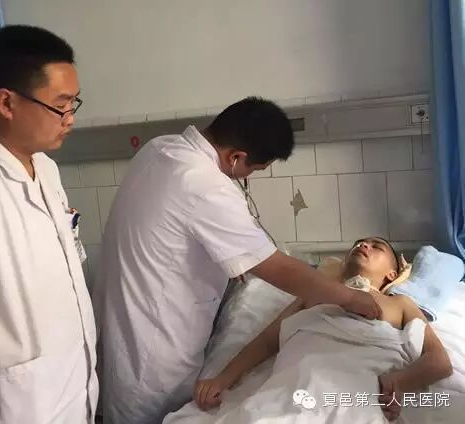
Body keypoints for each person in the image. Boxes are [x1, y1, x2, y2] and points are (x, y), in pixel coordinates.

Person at [94, 97, 382, 424]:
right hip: (154, 352)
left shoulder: (159, 149)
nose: (248, 178)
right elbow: (277, 268)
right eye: (252, 170)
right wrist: (349, 297)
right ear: (236, 157)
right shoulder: (207, 186)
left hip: (126, 326)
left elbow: (173, 233)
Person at [0, 26, 97, 423]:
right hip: (20, 408)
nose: (70, 119)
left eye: (74, 103)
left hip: (73, 389)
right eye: (61, 106)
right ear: (6, 102)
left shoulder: (46, 168)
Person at [194, 237, 453, 421]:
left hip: (357, 390)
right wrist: (222, 379)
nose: (363, 246)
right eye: (359, 244)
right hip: (295, 384)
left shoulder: (400, 304)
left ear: (392, 274)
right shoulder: (316, 293)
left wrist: (398, 382)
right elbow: (267, 341)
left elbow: (439, 361)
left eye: (376, 246)